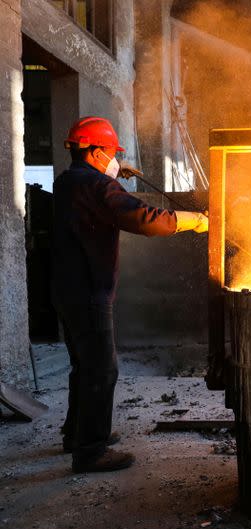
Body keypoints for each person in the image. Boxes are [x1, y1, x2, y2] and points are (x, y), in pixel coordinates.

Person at [53, 116, 209, 473]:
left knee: (83, 365)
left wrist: (114, 172)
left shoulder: (67, 181)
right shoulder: (96, 186)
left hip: (64, 289)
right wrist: (193, 221)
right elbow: (142, 217)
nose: (114, 157)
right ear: (93, 152)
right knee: (102, 369)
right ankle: (90, 451)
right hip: (90, 290)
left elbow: (94, 186)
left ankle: (75, 434)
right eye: (110, 152)